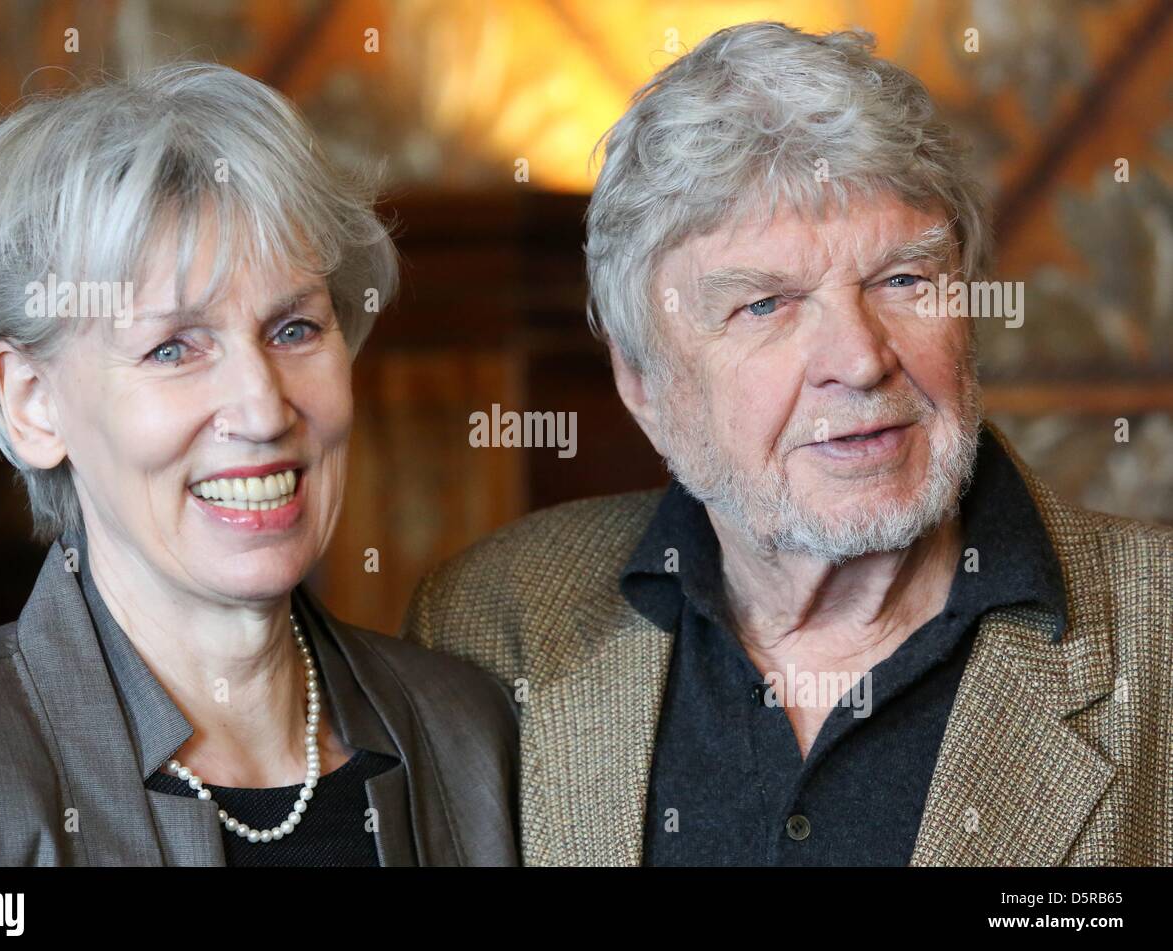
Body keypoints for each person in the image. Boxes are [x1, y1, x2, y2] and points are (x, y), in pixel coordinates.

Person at [402, 22, 1172, 866]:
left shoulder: (1155, 635)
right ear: (644, 384)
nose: (861, 359)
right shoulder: (490, 625)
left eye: (904, 280)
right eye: (765, 305)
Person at [0, 62, 517, 867]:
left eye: (293, 330)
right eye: (173, 347)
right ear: (33, 402)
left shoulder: (467, 728)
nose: (262, 409)